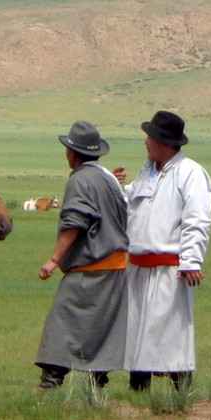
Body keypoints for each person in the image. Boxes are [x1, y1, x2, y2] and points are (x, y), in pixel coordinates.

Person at [33, 121, 131, 389]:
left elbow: (75, 222)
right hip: (117, 268)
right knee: (101, 326)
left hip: (90, 267)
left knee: (62, 323)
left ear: (72, 153)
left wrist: (54, 260)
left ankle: (51, 379)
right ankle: (97, 381)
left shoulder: (80, 179)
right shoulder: (106, 178)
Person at [120, 111, 211, 391]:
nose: (145, 142)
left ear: (164, 142)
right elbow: (130, 201)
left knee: (172, 335)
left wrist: (191, 261)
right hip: (138, 268)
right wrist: (114, 186)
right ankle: (138, 391)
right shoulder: (147, 171)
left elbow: (197, 219)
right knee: (137, 333)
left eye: (149, 138)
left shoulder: (191, 173)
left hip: (170, 269)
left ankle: (182, 393)